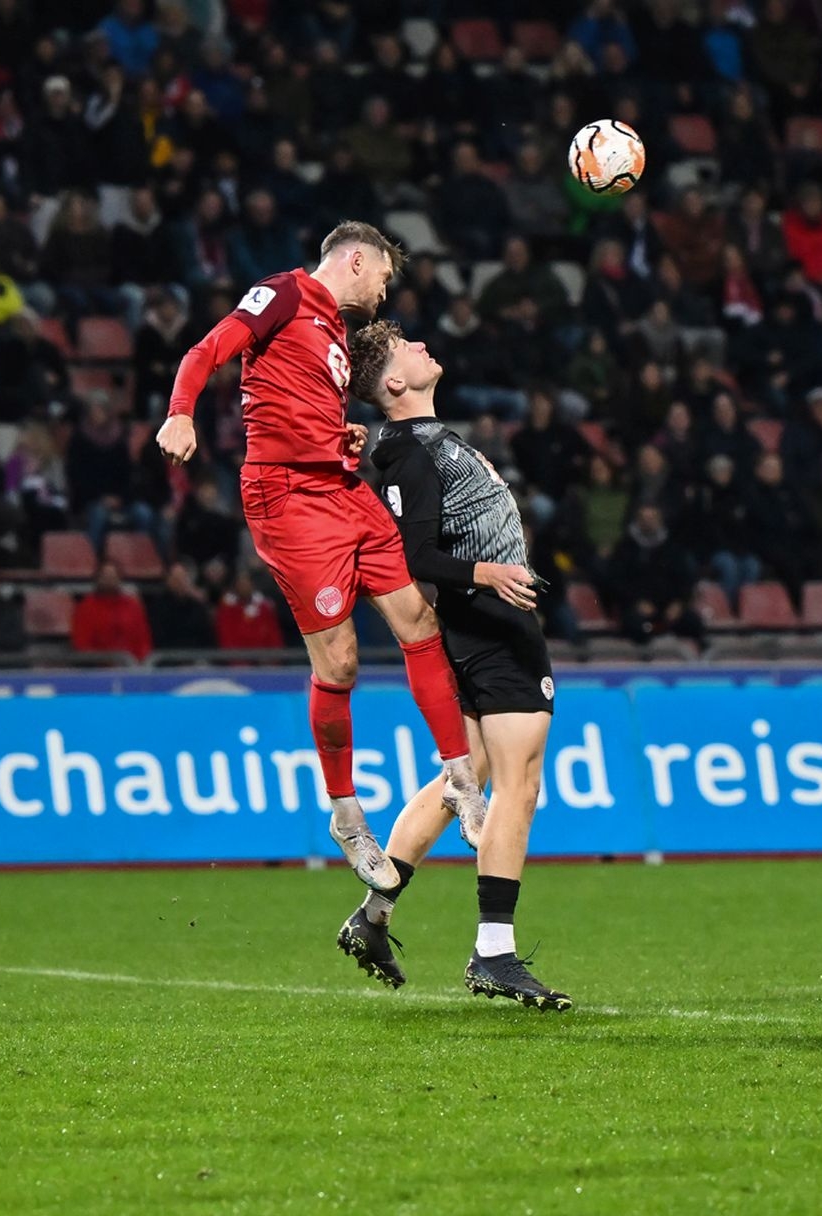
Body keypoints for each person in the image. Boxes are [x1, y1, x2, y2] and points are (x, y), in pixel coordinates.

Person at [158, 221, 484, 893]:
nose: (385, 292)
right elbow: (206, 349)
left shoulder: (334, 329)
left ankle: (461, 777)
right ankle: (346, 815)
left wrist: (339, 437)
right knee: (339, 663)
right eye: (384, 277)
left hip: (342, 488)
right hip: (288, 502)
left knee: (419, 621)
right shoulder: (282, 293)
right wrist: (181, 412)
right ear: (357, 261)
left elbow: (297, 407)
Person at [344, 319, 570, 1012]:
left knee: (462, 780)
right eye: (407, 348)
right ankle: (493, 952)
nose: (422, 346)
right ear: (394, 382)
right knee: (519, 785)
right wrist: (488, 574)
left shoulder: (416, 443)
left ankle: (374, 915)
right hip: (490, 627)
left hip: (475, 627)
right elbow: (413, 557)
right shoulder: (410, 451)